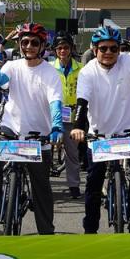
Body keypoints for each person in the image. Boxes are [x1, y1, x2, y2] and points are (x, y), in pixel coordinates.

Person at [71, 26, 130, 234]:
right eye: (104, 48)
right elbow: (82, 103)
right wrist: (77, 127)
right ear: (95, 50)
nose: (109, 52)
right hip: (100, 135)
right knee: (94, 182)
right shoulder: (87, 72)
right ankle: (91, 227)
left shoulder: (127, 62)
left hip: (128, 132)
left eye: (114, 48)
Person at [0, 23, 63, 234]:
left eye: (34, 42)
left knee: (41, 189)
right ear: (19, 44)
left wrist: (56, 125)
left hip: (39, 136)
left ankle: (46, 232)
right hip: (11, 128)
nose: (29, 46)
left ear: (42, 45)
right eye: (25, 42)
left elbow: (56, 101)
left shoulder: (50, 73)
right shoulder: (13, 66)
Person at [49, 32, 83, 199]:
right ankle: (44, 183)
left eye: (66, 48)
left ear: (71, 49)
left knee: (72, 153)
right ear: (55, 50)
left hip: (72, 114)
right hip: (52, 114)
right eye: (59, 48)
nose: (63, 51)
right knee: (46, 151)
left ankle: (74, 185)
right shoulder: (48, 67)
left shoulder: (81, 68)